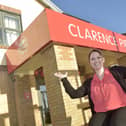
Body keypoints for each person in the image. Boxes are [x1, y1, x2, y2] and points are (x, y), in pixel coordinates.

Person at [54, 49, 126, 126]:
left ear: (103, 60)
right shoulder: (89, 82)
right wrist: (64, 79)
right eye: (93, 59)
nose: (96, 60)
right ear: (90, 63)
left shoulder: (116, 71)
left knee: (117, 123)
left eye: (98, 57)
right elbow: (74, 94)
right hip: (101, 112)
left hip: (121, 107)